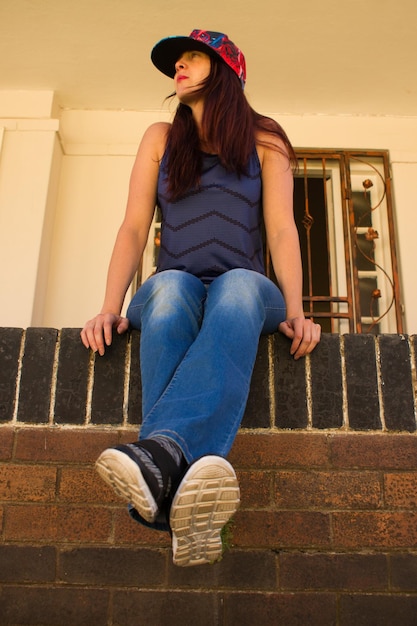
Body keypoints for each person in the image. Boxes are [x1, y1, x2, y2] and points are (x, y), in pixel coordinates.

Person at [81, 29, 321, 567]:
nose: (179, 68)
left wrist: (299, 310)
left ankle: (156, 467)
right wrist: (109, 305)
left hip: (248, 290)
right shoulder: (161, 138)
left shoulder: (267, 140)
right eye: (176, 62)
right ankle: (182, 508)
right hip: (180, 286)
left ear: (228, 71)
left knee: (236, 286)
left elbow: (282, 231)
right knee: (167, 289)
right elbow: (133, 226)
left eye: (193, 57)